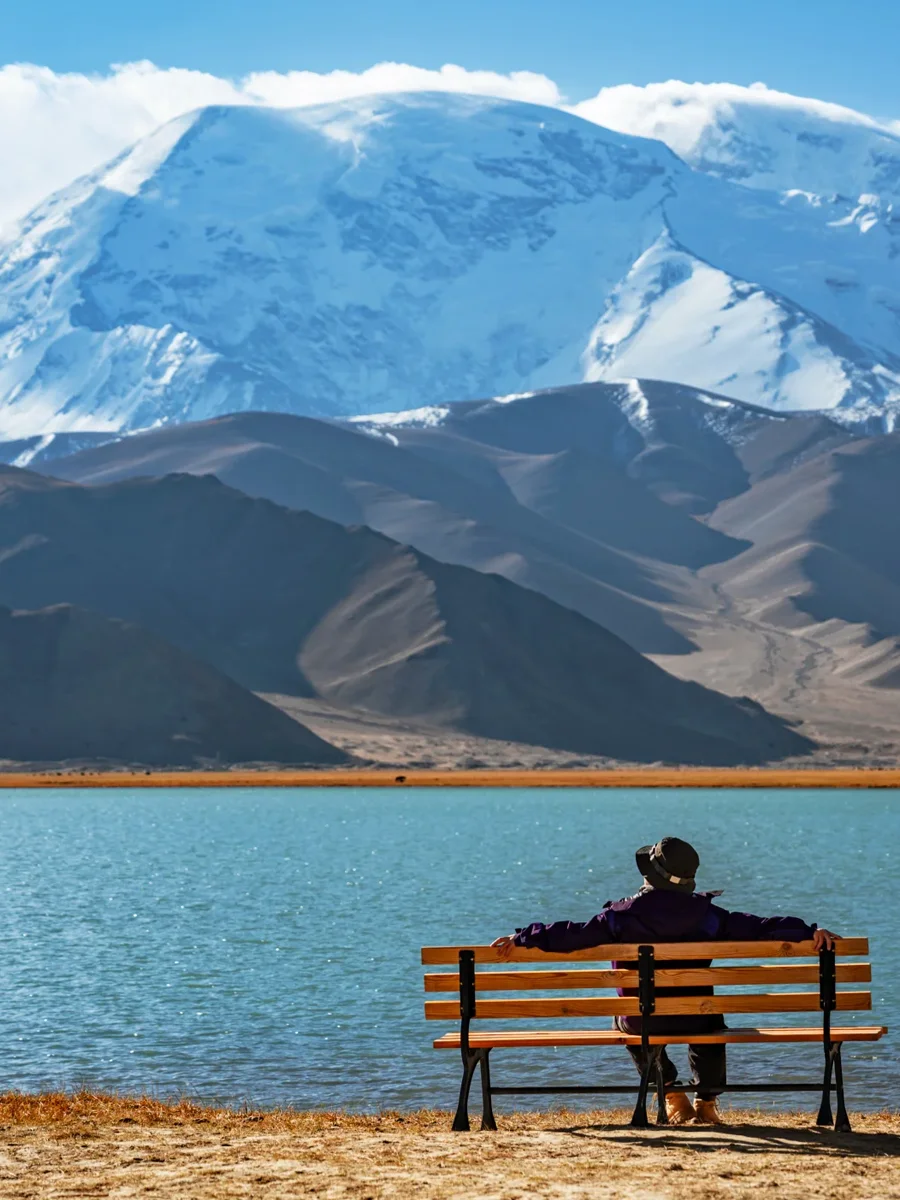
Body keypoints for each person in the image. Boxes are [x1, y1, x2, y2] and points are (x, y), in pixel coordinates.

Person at [491, 836, 838, 1125]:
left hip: (641, 1019)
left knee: (625, 1018)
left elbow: (571, 935)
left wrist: (523, 936)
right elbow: (760, 927)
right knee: (710, 1017)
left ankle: (671, 1092)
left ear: (650, 877)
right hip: (697, 1017)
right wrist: (808, 930)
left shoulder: (619, 918)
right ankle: (706, 1102)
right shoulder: (708, 917)